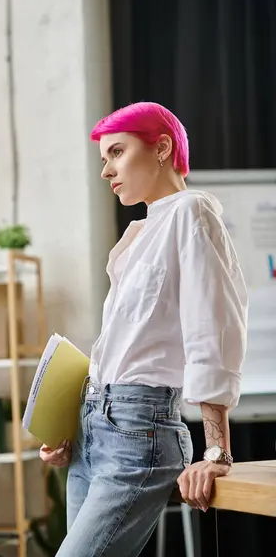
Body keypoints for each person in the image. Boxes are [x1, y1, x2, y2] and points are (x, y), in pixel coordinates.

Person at [39, 102, 248, 556]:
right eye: (103, 159)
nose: (106, 170)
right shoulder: (140, 235)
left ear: (162, 148)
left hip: (141, 433)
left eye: (116, 152)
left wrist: (216, 453)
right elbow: (122, 350)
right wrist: (69, 427)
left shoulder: (191, 212)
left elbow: (211, 332)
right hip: (95, 430)